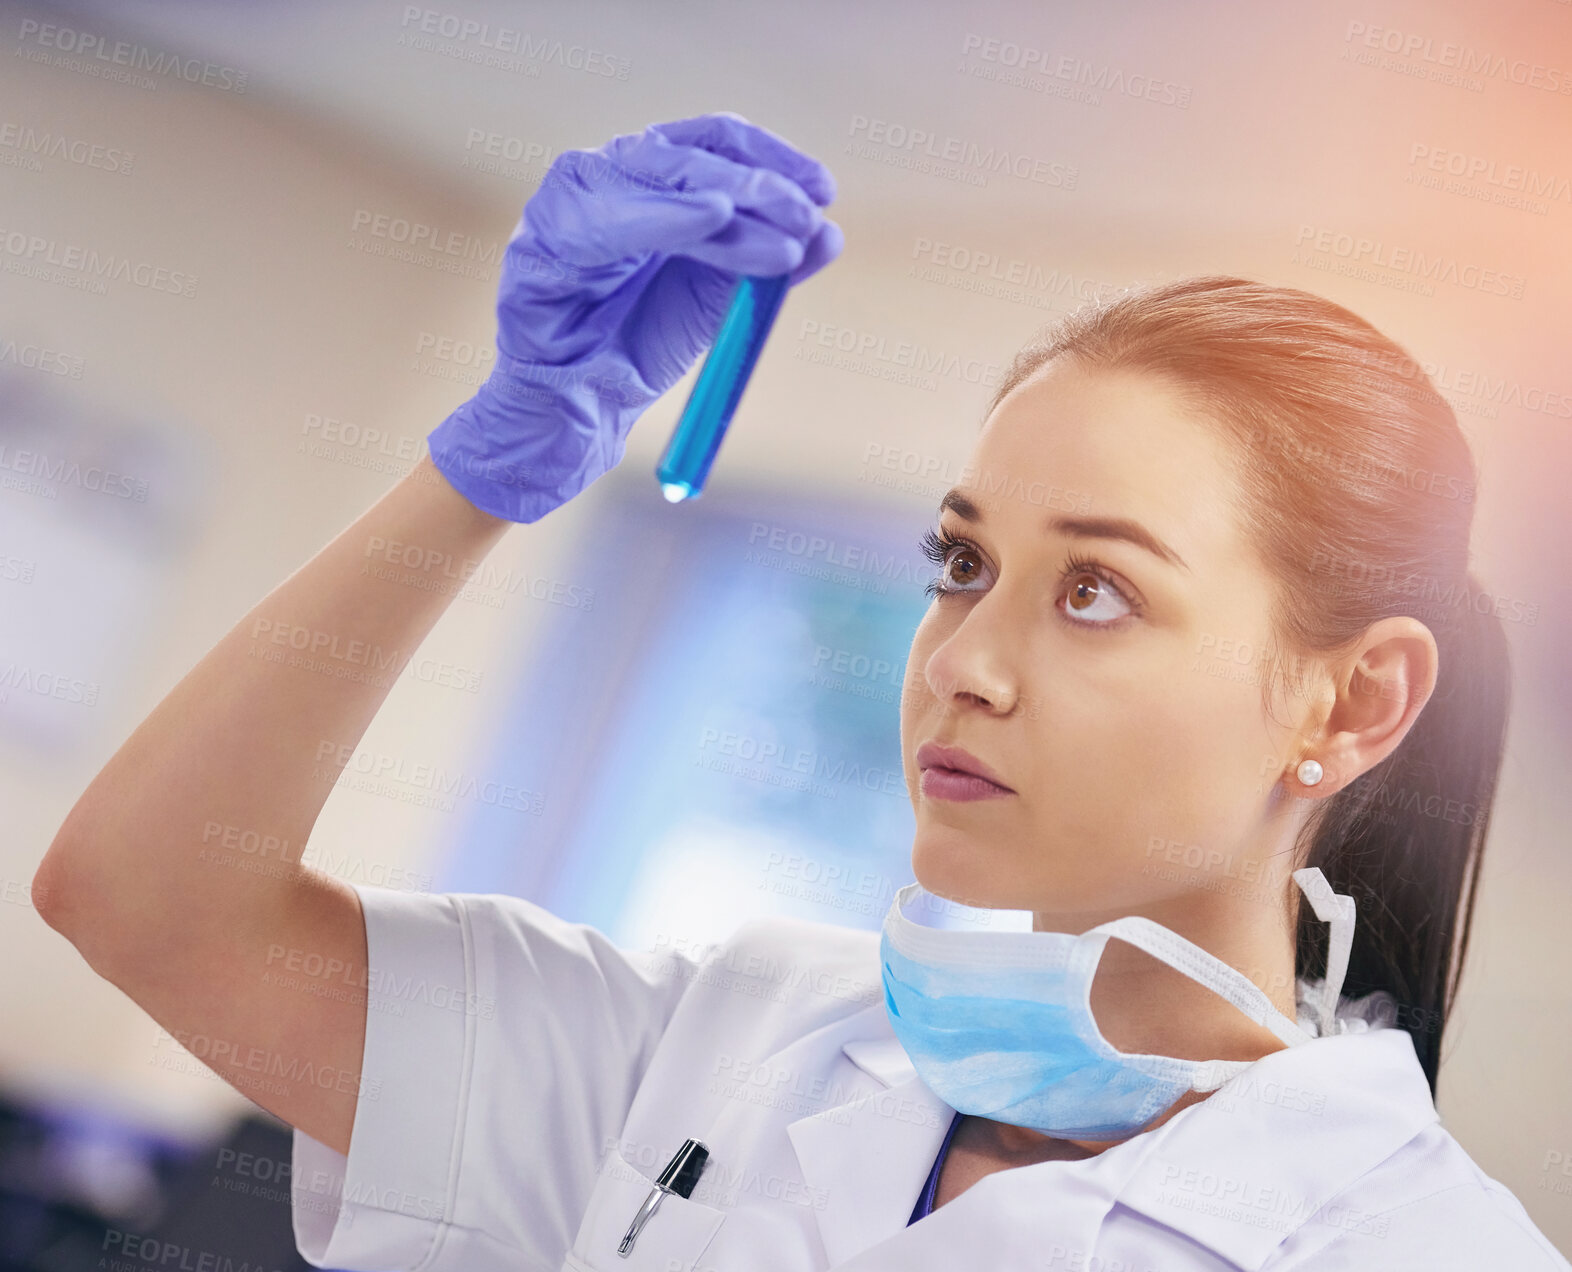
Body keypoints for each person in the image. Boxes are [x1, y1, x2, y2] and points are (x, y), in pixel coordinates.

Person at [33, 111, 1568, 1271]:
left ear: (1353, 706)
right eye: (960, 562)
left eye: (1097, 590)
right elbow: (149, 901)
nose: (963, 663)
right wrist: (493, 463)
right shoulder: (741, 1044)